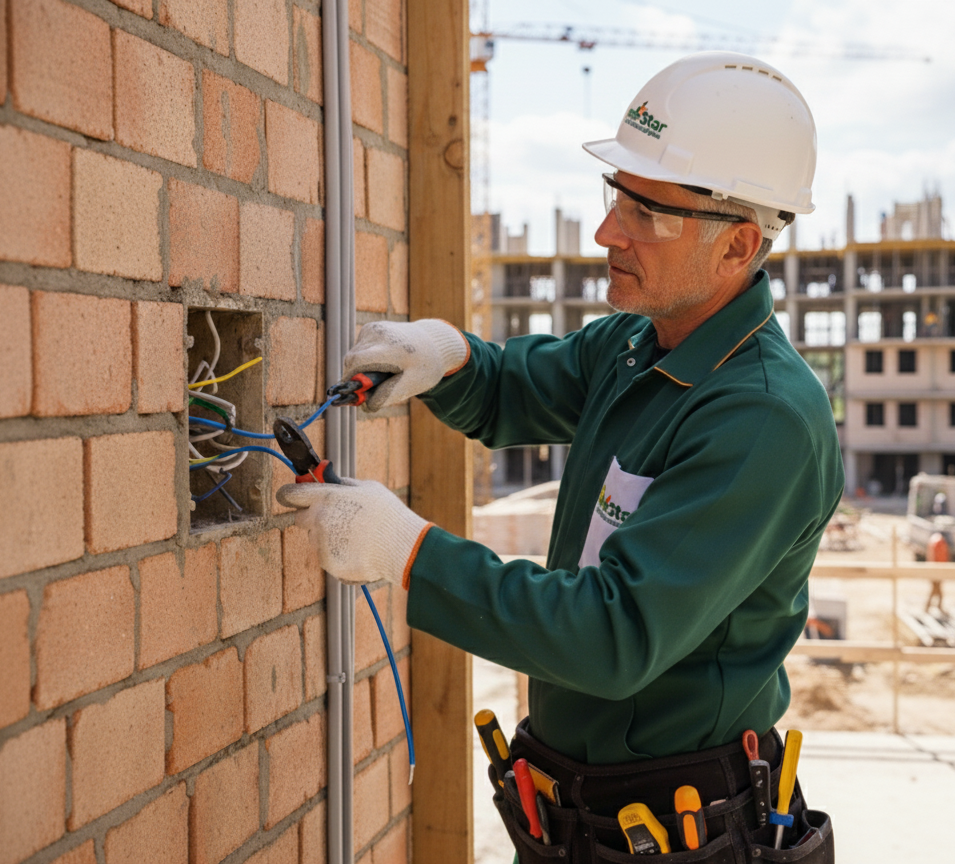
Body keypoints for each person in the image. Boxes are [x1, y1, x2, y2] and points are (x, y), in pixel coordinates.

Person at [280, 53, 842, 860]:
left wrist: (410, 555)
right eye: (617, 198)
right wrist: (445, 358)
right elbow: (514, 388)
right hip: (575, 812)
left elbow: (612, 638)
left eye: (649, 212)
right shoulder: (641, 347)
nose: (609, 231)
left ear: (738, 246)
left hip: (677, 829)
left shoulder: (760, 418)